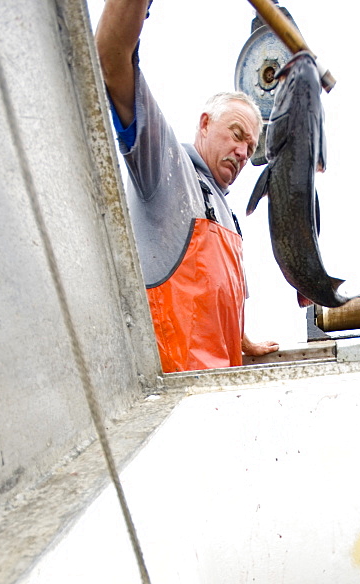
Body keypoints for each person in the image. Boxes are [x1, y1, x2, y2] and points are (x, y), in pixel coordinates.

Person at [95, 0, 279, 371]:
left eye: (250, 145)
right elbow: (111, 58)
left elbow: (218, 294)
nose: (242, 151)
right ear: (205, 123)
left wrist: (243, 339)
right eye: (236, 134)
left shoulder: (228, 214)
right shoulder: (165, 167)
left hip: (221, 386)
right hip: (175, 390)